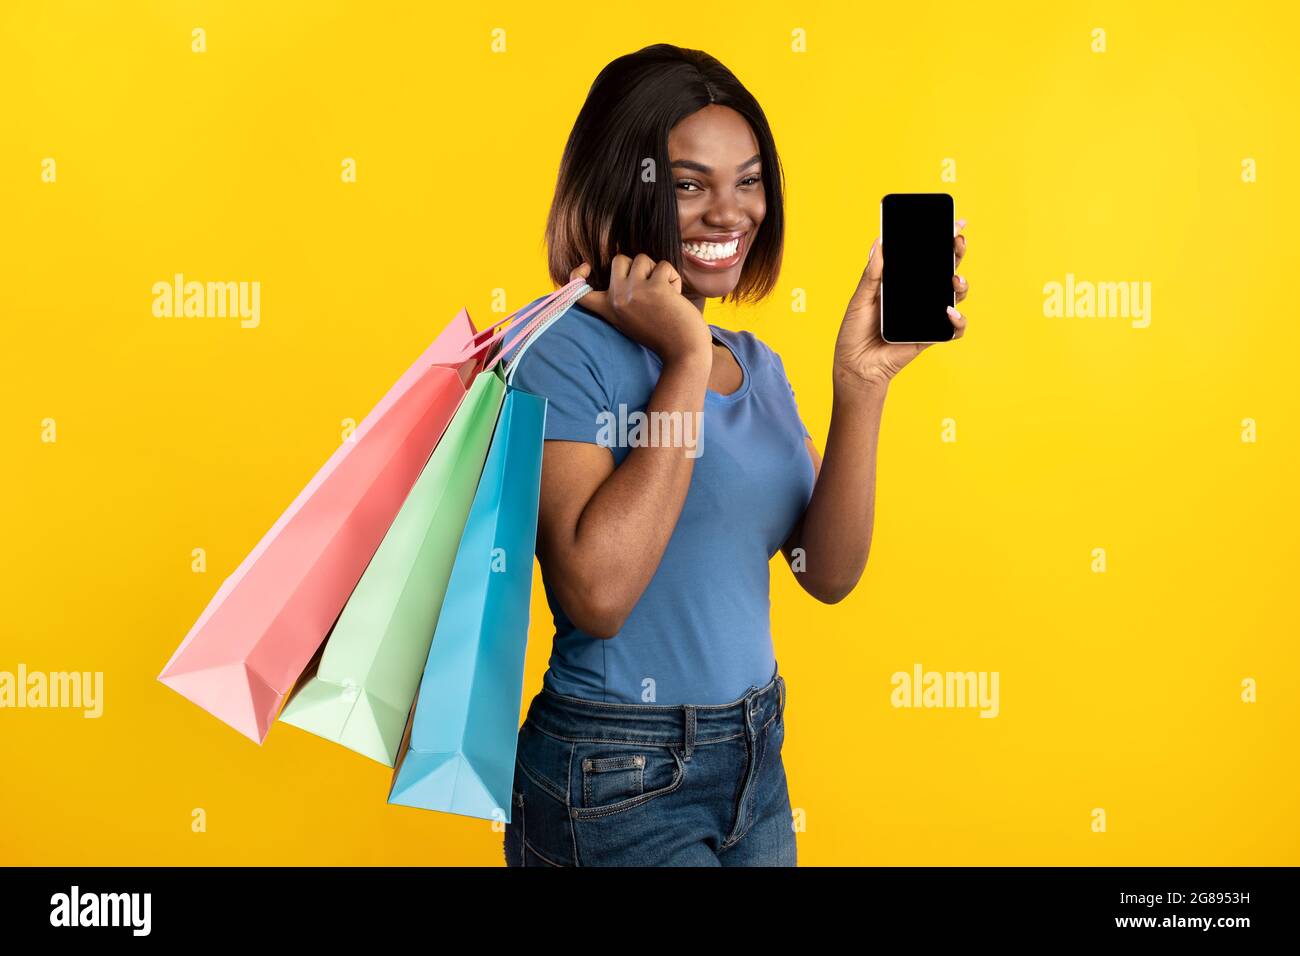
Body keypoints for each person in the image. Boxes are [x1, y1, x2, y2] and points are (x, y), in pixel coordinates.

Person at [500, 43, 971, 866]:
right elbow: (597, 595)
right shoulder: (560, 353)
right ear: (622, 185)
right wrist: (682, 360)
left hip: (755, 756)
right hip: (616, 773)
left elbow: (824, 573)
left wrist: (859, 386)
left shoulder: (757, 364)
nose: (730, 213)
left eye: (748, 181)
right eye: (689, 184)